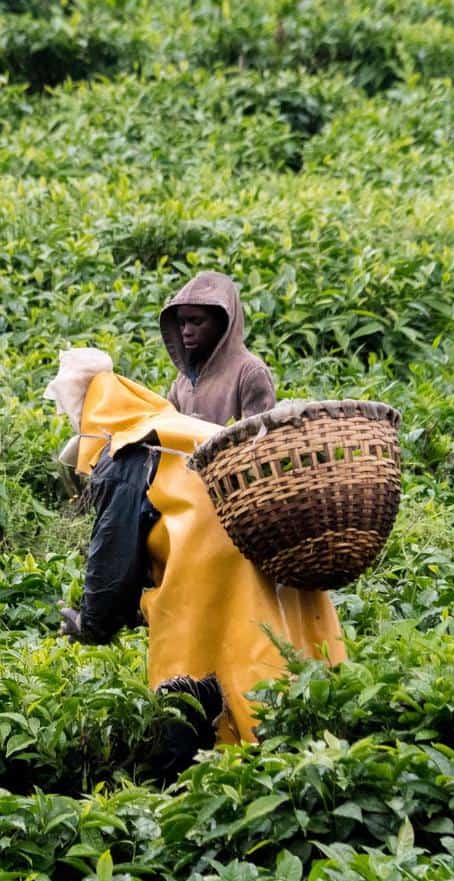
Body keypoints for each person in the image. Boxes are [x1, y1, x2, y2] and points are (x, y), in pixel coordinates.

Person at [47, 349, 344, 774]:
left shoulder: (127, 452)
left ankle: (218, 775)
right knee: (287, 647)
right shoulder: (175, 430)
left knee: (198, 680)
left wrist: (91, 624)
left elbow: (113, 563)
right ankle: (314, 753)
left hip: (211, 565)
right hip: (269, 543)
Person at [160, 270, 276, 425]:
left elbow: (259, 440)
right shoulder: (184, 379)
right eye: (182, 323)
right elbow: (166, 427)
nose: (186, 331)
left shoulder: (250, 373)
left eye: (197, 322)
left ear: (222, 323)